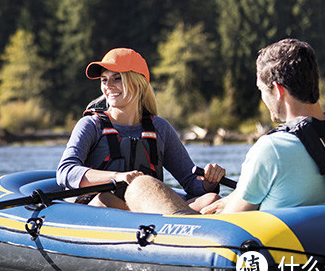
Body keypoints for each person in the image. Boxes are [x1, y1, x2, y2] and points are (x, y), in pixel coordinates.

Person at [123, 38, 325, 215]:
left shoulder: (274, 147)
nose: (262, 98)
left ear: (278, 90)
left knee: (141, 186)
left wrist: (214, 209)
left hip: (266, 244)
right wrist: (225, 201)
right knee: (212, 199)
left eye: (261, 90)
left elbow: (230, 220)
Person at [56, 47, 225, 211]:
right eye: (104, 79)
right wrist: (116, 176)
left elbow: (190, 182)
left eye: (117, 78)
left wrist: (209, 182)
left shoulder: (160, 128)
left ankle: (183, 224)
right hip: (106, 207)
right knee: (105, 200)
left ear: (138, 83)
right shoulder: (91, 125)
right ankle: (179, 220)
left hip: (148, 207)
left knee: (211, 199)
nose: (108, 86)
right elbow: (65, 171)